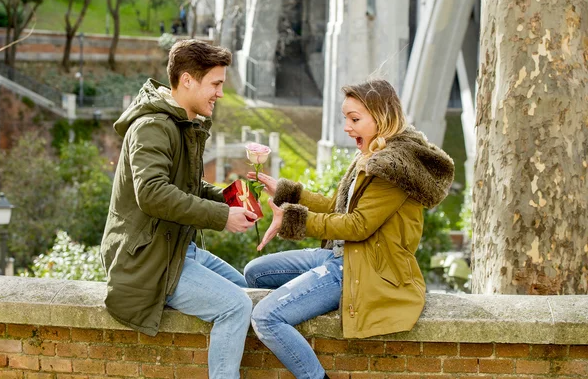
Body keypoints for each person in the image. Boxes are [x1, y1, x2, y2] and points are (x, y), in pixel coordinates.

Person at [243, 78, 455, 379]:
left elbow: (357, 226)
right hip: (339, 256)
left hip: (361, 267)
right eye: (346, 118)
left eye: (354, 119)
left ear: (381, 118)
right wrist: (289, 192)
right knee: (255, 272)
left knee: (266, 317)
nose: (346, 127)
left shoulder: (392, 168)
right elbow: (339, 207)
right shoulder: (371, 152)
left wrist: (292, 219)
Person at [100, 39, 257, 379]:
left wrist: (235, 197)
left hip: (176, 250)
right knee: (236, 305)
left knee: (245, 288)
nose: (220, 93)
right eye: (215, 84)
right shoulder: (153, 127)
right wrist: (221, 218)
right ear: (187, 80)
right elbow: (153, 194)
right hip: (147, 261)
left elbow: (187, 188)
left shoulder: (180, 123)